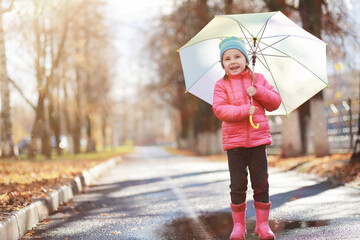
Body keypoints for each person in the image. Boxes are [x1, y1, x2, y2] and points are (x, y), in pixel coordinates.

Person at [212, 36, 281, 240]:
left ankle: (262, 225)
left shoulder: (257, 80)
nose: (233, 62)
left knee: (261, 183)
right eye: (227, 59)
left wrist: (258, 92)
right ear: (222, 64)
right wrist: (244, 110)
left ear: (245, 58)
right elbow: (220, 109)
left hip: (258, 142)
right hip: (235, 144)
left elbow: (275, 102)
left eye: (237, 56)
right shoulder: (220, 85)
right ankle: (239, 227)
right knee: (238, 185)